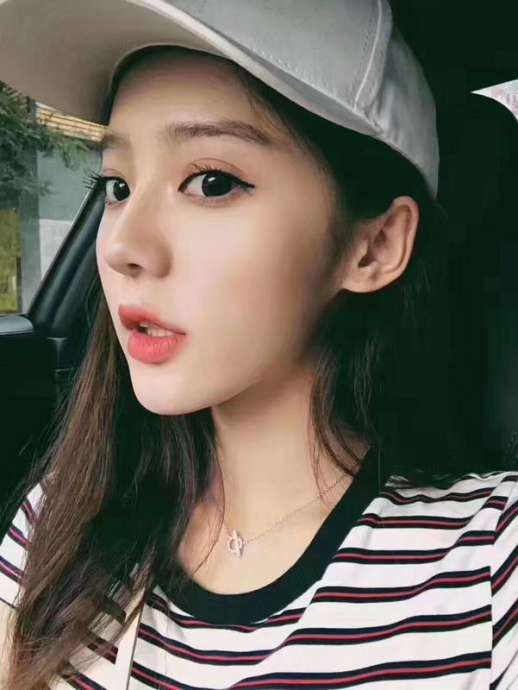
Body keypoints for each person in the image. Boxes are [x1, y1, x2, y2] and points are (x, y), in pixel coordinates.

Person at [0, 1, 516, 688]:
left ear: (373, 246)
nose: (124, 244)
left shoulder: (489, 569)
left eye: (211, 183)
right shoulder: (63, 521)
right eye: (117, 185)